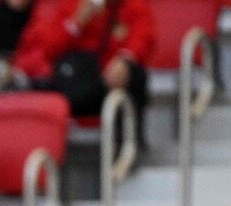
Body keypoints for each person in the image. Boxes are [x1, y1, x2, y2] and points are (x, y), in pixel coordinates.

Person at [13, 0, 152, 134]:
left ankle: (127, 146)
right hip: (78, 80)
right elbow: (50, 48)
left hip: (111, 79)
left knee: (136, 75)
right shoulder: (72, 4)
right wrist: (77, 22)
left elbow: (144, 37)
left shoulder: (131, 5)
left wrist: (125, 59)